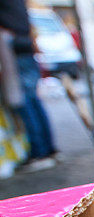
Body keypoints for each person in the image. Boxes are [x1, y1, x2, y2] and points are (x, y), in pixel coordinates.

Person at [0, 0, 57, 171]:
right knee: (33, 100)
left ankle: (39, 152)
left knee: (25, 102)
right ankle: (48, 149)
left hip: (16, 50)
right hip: (24, 47)